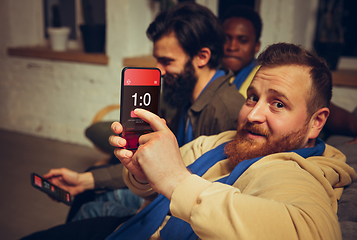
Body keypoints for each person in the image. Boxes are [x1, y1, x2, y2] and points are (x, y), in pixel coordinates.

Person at [22, 43, 356, 240]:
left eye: (278, 104)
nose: (253, 114)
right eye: (252, 97)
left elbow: (315, 232)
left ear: (316, 122)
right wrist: (140, 171)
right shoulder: (224, 140)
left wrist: (177, 181)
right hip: (139, 225)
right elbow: (150, 181)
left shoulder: (294, 170)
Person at [43, 2, 245, 223]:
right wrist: (85, 180)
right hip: (155, 189)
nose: (158, 69)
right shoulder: (178, 92)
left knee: (89, 211)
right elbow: (149, 163)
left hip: (179, 210)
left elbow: (217, 199)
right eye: (157, 59)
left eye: (167, 61)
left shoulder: (228, 112)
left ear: (202, 57)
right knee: (87, 191)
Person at [220, 4, 357, 142]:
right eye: (226, 39)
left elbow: (322, 107)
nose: (232, 47)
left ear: (256, 46)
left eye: (242, 40)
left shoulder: (270, 73)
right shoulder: (217, 76)